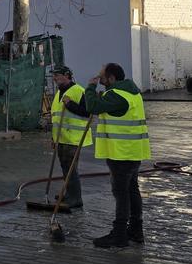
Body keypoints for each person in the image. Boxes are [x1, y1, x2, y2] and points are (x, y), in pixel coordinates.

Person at [62, 63, 149, 248]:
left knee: (121, 194)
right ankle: (135, 230)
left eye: (102, 77)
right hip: (133, 151)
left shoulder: (116, 95)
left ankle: (119, 235)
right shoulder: (132, 93)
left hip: (121, 153)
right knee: (132, 190)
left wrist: (91, 87)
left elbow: (93, 106)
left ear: (111, 78)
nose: (100, 80)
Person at [49, 65, 90, 209]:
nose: (54, 78)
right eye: (53, 75)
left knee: (71, 168)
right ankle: (69, 194)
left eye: (57, 75)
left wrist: (70, 104)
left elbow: (87, 112)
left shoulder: (78, 91)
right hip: (62, 138)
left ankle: (75, 198)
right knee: (65, 167)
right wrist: (54, 139)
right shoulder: (59, 93)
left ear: (67, 75)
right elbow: (56, 118)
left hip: (74, 138)